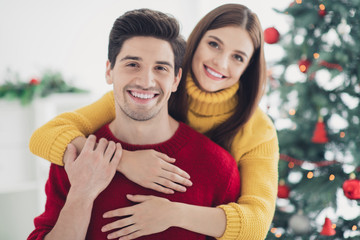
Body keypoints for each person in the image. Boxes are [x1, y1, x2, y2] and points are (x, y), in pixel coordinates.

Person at [29, 3, 279, 240]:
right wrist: (121, 162)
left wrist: (173, 213)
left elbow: (256, 222)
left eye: (238, 57)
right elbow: (46, 134)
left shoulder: (252, 135)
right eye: (214, 44)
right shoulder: (129, 103)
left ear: (175, 79)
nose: (220, 62)